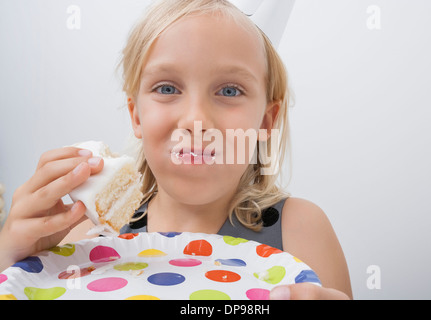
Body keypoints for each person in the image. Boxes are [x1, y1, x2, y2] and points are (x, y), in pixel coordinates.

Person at [0, 0, 352, 299]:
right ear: (136, 115)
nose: (196, 120)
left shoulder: (299, 230)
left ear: (265, 122)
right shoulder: (88, 236)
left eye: (229, 91)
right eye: (167, 88)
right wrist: (14, 260)